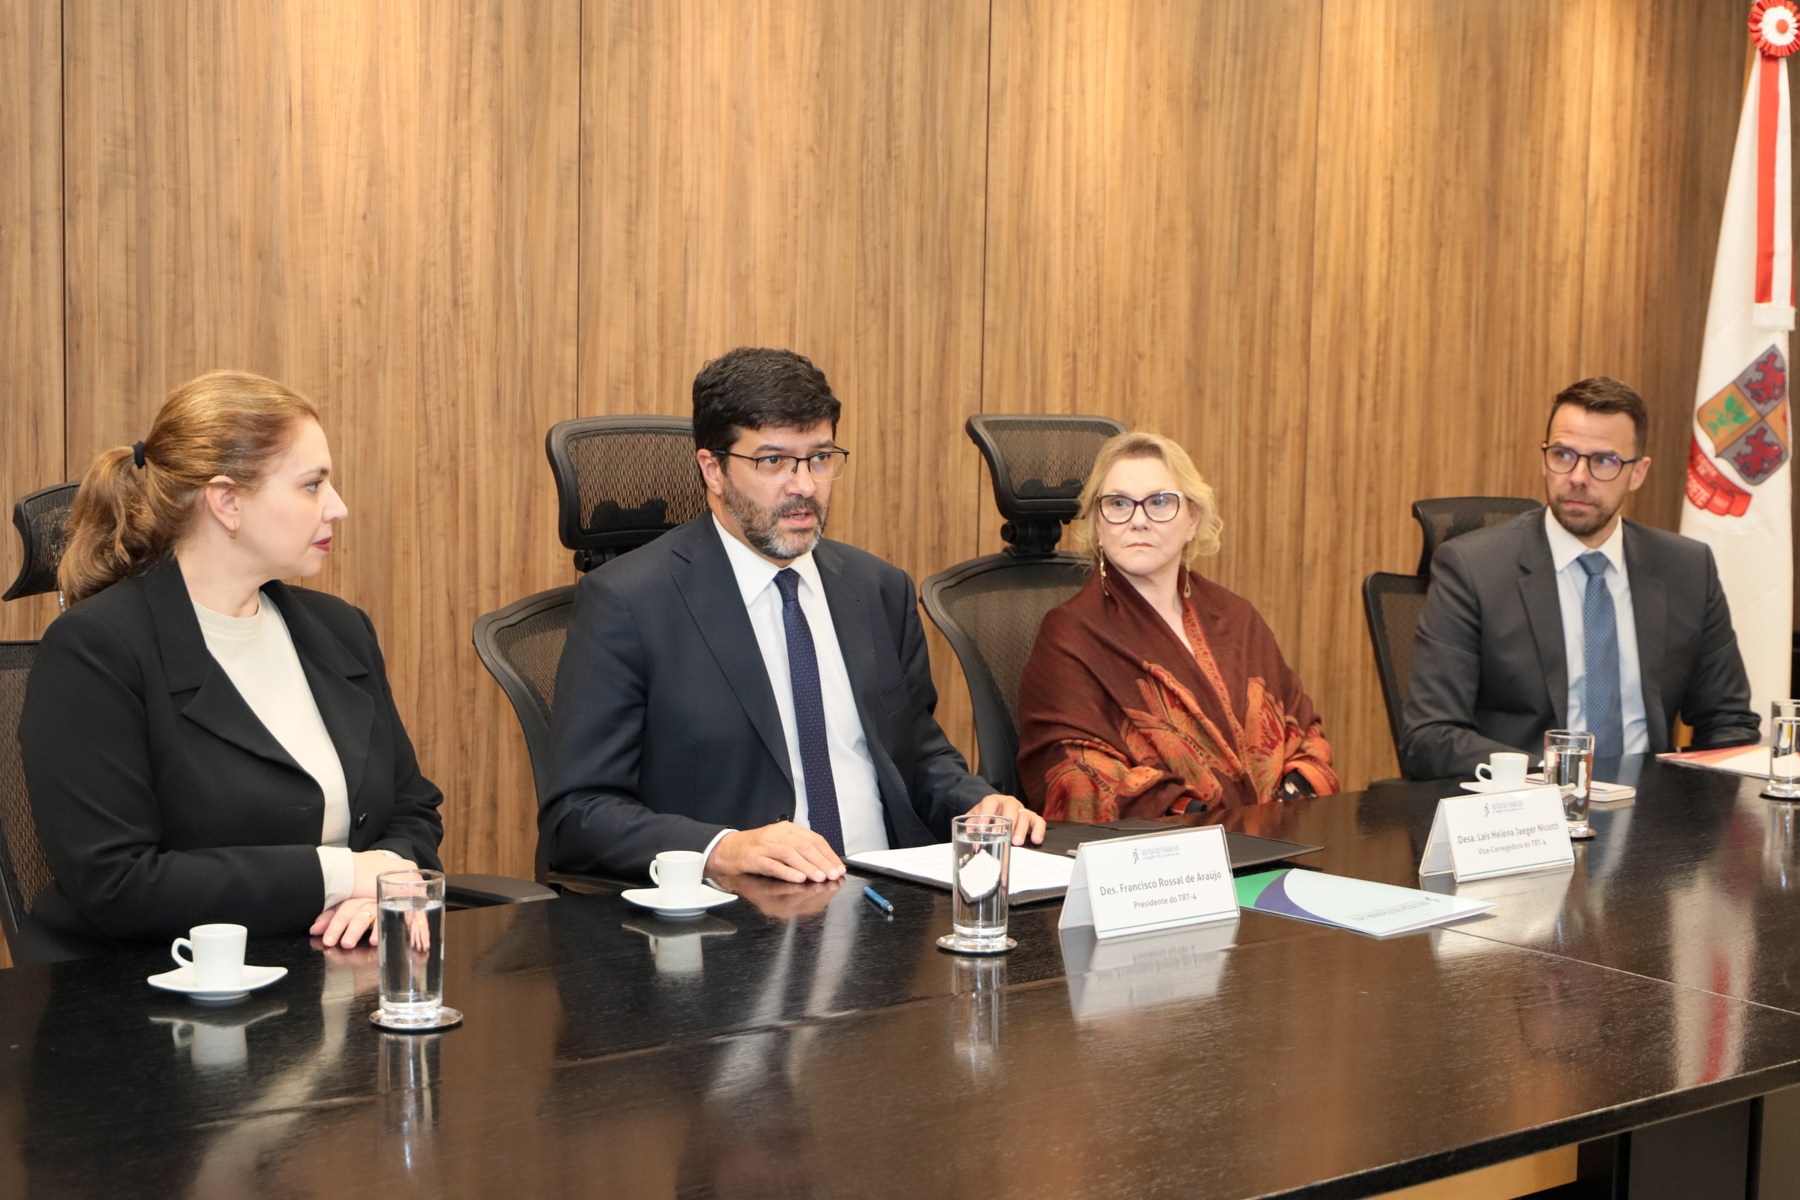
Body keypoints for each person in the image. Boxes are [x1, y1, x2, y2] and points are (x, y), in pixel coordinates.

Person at [541, 347, 1044, 883]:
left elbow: (917, 757)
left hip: (892, 905)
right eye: (773, 461)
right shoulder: (628, 601)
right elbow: (579, 814)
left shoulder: (877, 588)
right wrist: (721, 849)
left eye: (820, 458)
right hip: (738, 926)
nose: (804, 485)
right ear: (713, 469)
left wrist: (982, 804)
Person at [20, 370, 442, 954]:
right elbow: (118, 884)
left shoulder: (340, 629)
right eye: (312, 485)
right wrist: (346, 876)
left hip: (328, 976)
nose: (338, 508)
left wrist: (385, 880)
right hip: (152, 1002)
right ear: (227, 501)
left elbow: (413, 805)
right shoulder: (95, 651)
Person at [1400, 376, 1760, 780]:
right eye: (1563, 455)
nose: (1577, 477)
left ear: (1637, 473)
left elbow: (1729, 723)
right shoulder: (1472, 569)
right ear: (1544, 458)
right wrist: (1560, 775)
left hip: (1653, 816)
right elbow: (1429, 738)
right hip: (1523, 814)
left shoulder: (1687, 569)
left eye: (1603, 461)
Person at [1016, 431, 1337, 821]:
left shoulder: (1237, 616)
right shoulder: (1069, 635)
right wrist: (1206, 821)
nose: (1138, 520)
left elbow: (1304, 736)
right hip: (1166, 861)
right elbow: (1078, 777)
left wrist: (1277, 816)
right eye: (1118, 504)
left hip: (1278, 841)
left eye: (1160, 502)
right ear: (1098, 525)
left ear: (1192, 520)